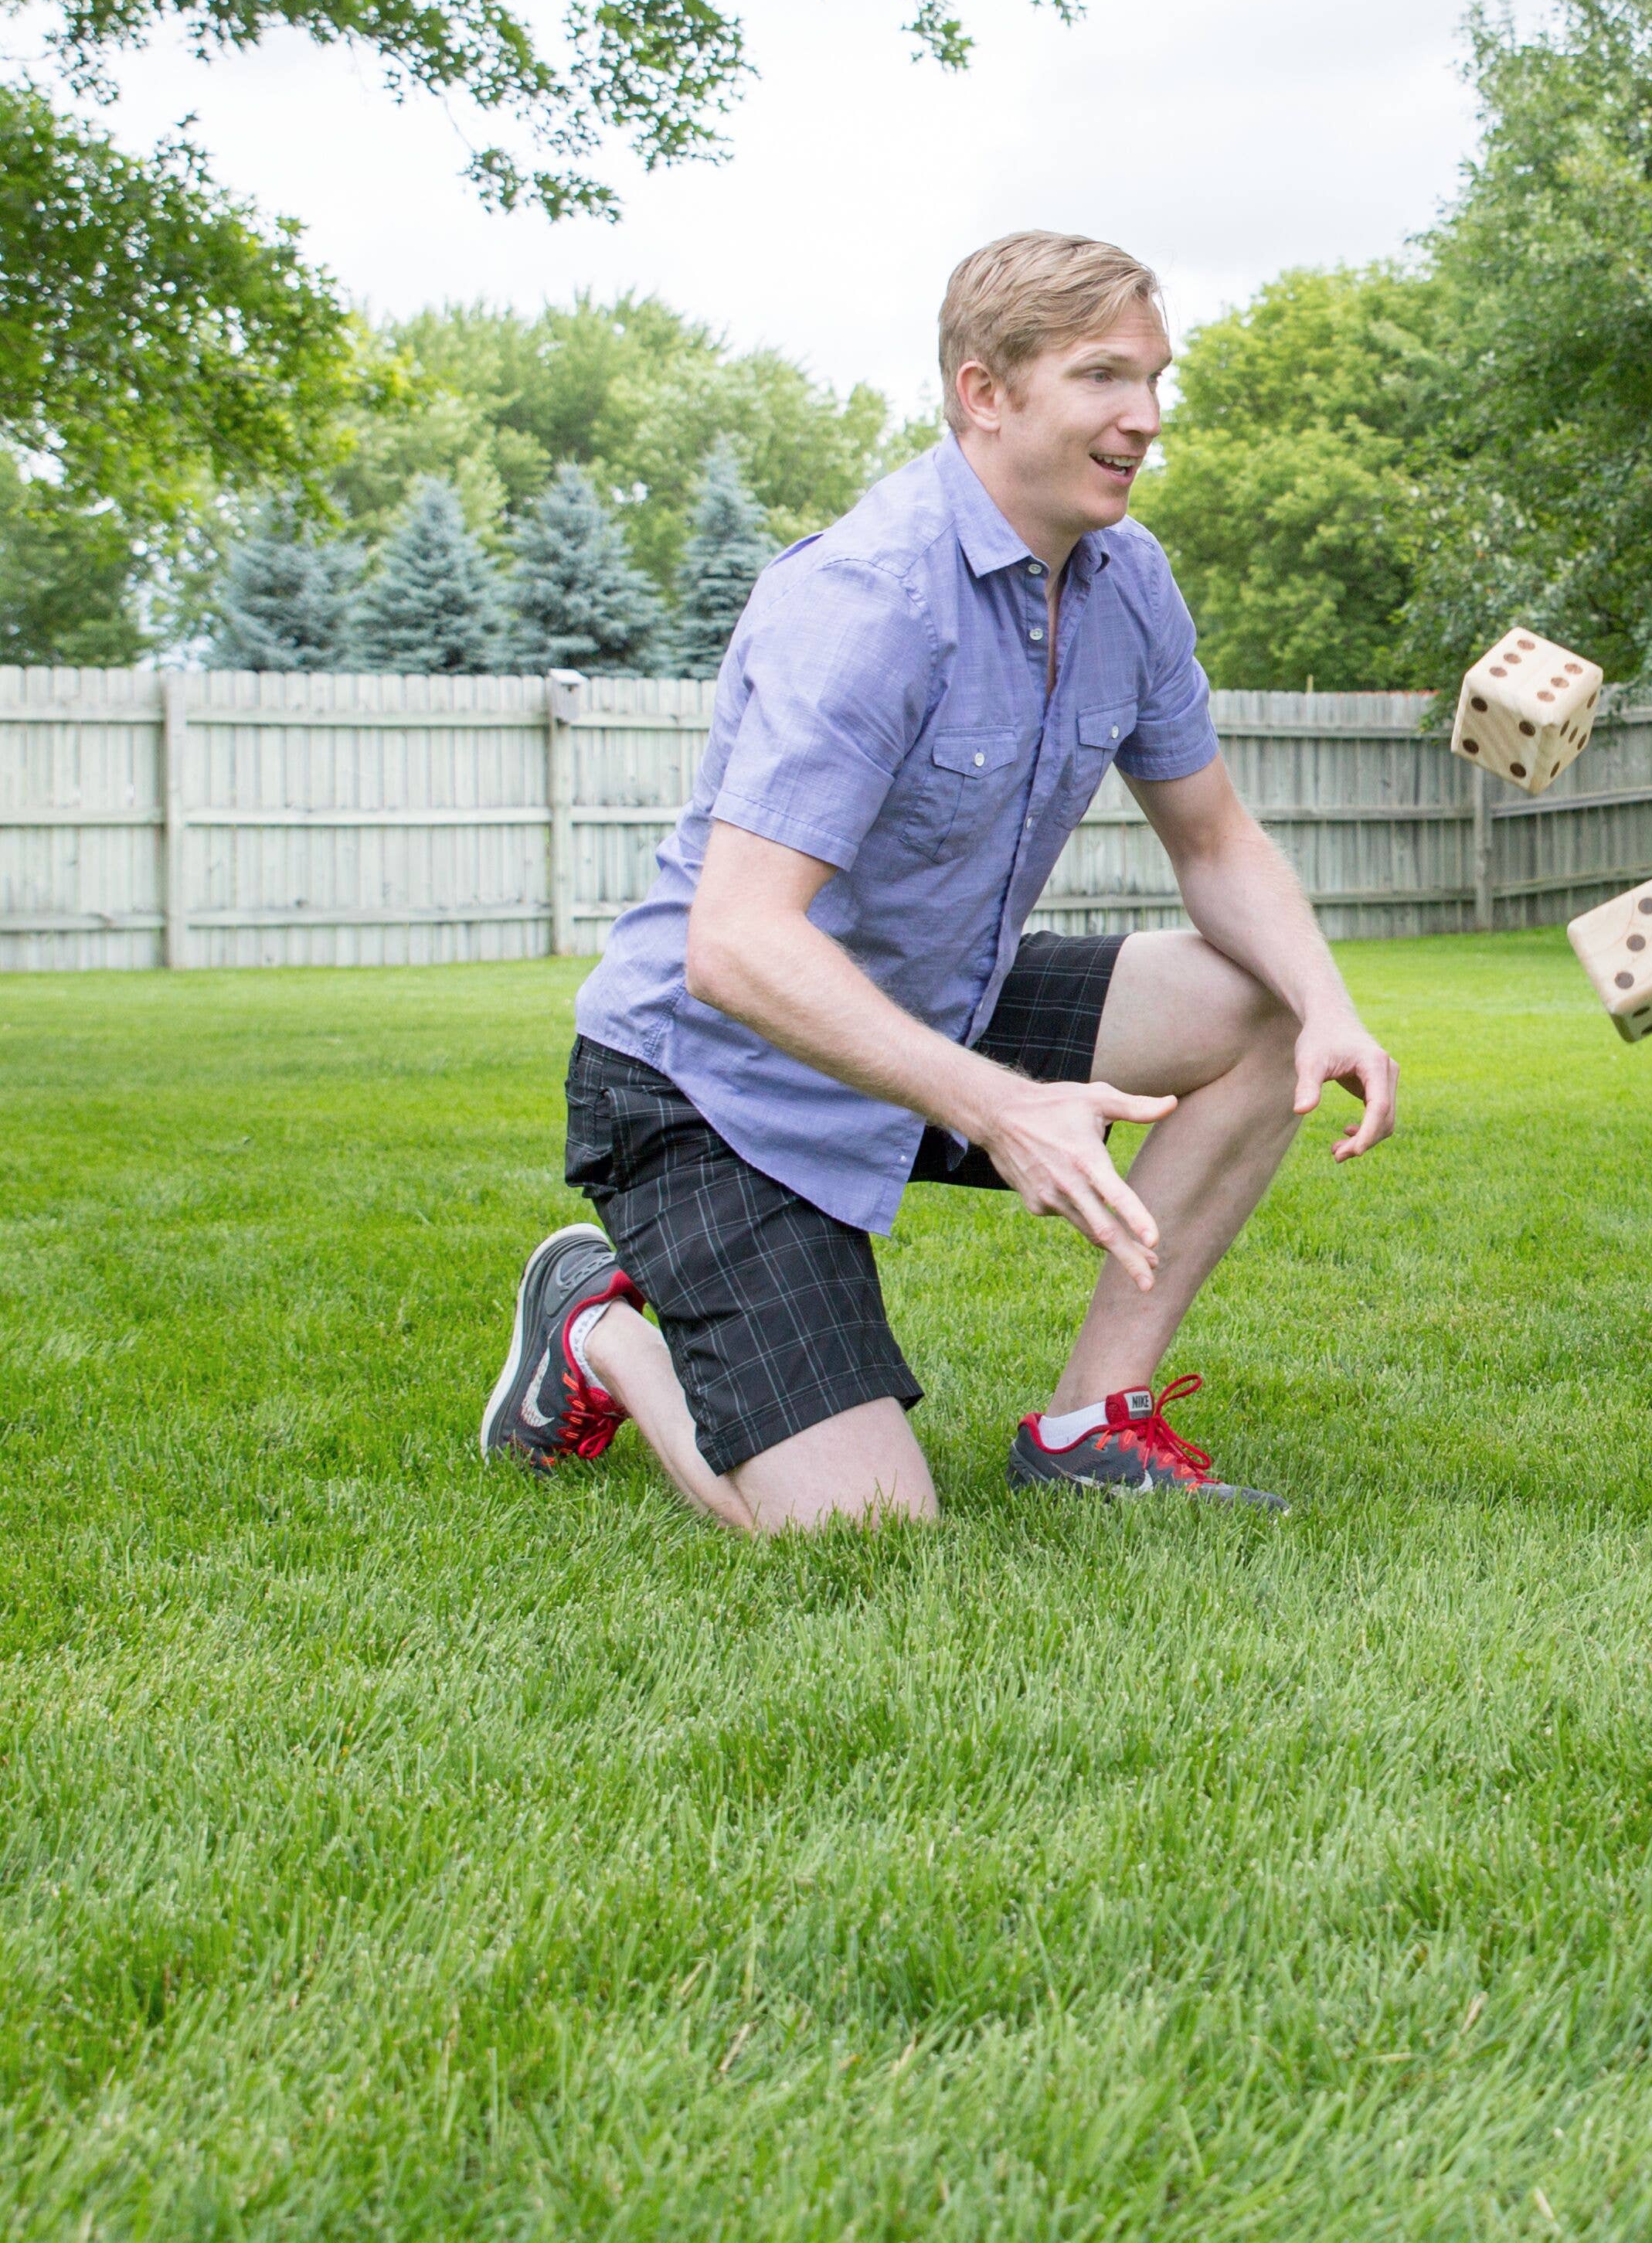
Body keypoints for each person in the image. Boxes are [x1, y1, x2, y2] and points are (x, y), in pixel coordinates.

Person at [479, 232, 1401, 1530]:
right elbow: (735, 944)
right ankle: (598, 1332)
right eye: (1101, 379)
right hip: (709, 1075)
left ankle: (1089, 1428)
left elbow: (1214, 840)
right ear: (986, 392)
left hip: (927, 1006)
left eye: (1154, 379)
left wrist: (1329, 1004)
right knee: (859, 1524)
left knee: (1263, 1011)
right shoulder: (868, 599)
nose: (1144, 418)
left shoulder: (1128, 583)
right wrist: (1005, 1108)